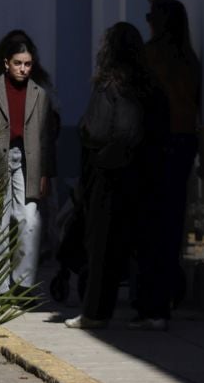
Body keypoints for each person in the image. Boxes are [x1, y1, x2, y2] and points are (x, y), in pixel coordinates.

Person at [69, 23, 170, 330]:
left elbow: (98, 130)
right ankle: (154, 311)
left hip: (112, 176)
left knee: (104, 247)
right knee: (147, 244)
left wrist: (87, 136)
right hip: (149, 173)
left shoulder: (109, 85)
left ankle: (96, 312)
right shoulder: (153, 84)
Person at [0, 31, 59, 292]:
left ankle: (23, 283)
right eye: (18, 63)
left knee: (30, 220)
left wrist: (46, 172)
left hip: (29, 161)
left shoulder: (39, 94)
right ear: (6, 63)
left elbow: (46, 136)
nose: (23, 69)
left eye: (27, 64)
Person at [142, 0, 200, 325]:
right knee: (172, 224)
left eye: (151, 15)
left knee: (153, 225)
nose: (148, 21)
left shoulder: (154, 57)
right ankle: (164, 296)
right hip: (184, 142)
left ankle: (154, 301)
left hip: (159, 144)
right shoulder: (189, 60)